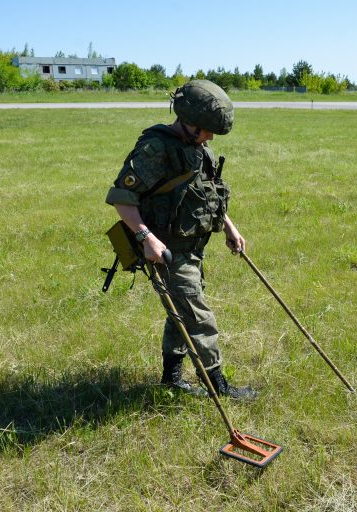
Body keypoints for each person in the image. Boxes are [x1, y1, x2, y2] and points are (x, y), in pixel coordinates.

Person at [105, 79, 257, 400]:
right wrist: (146, 237)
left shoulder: (198, 149)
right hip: (166, 251)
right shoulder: (155, 149)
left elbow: (207, 195)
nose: (210, 137)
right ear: (186, 121)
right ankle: (219, 386)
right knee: (198, 317)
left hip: (192, 248)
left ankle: (171, 380)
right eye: (205, 130)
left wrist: (229, 227)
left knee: (181, 313)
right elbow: (122, 197)